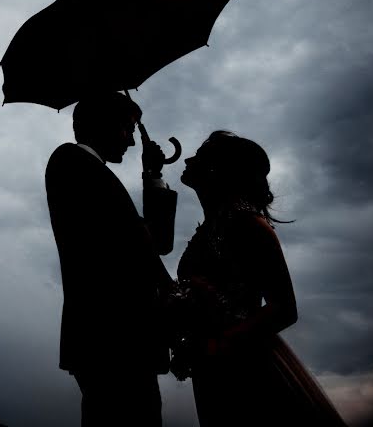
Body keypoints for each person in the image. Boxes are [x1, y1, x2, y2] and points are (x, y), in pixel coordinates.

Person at [171, 131, 347, 427]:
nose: (188, 158)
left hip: (246, 367)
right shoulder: (211, 226)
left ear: (218, 169)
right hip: (211, 368)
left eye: (199, 156)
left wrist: (222, 343)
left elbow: (284, 307)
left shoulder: (247, 224)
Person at [45, 91, 177, 427]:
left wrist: (152, 174)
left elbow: (155, 244)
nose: (132, 142)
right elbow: (148, 244)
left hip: (117, 342)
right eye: (128, 129)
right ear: (104, 125)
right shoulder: (70, 162)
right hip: (111, 340)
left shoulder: (92, 171)